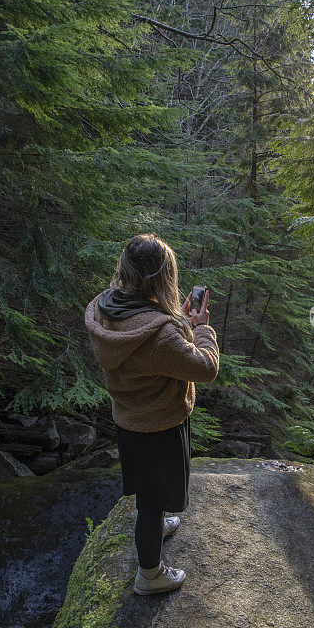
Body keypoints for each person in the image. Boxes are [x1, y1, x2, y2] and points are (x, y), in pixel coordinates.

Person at [84, 233, 219, 595]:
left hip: (129, 418)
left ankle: (156, 524)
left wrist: (180, 325)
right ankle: (149, 575)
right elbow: (205, 368)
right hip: (159, 425)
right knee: (151, 502)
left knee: (149, 494)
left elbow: (153, 354)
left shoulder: (103, 308)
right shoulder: (160, 333)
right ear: (164, 277)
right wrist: (201, 327)